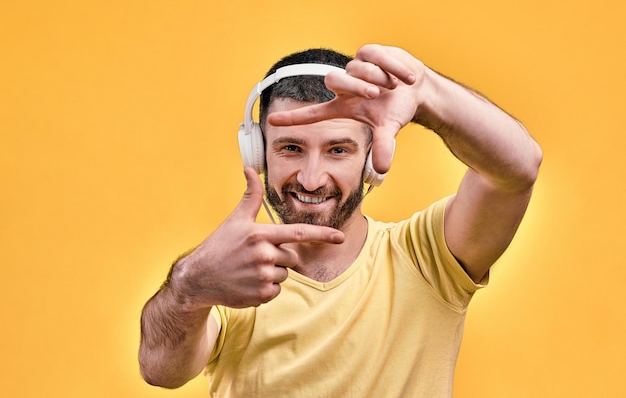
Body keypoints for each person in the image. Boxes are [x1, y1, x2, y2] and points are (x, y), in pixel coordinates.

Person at [138, 44, 542, 397]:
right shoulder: (232, 275)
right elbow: (160, 371)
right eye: (291, 148)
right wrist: (187, 286)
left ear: (370, 160)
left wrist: (426, 93)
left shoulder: (428, 256)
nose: (311, 179)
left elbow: (519, 168)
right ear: (257, 154)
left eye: (337, 150)